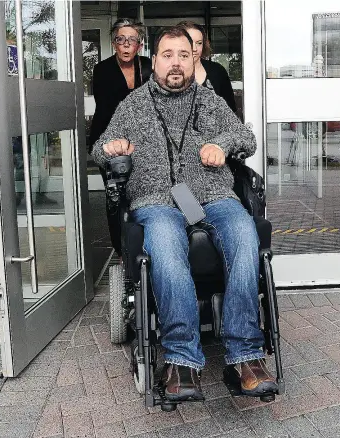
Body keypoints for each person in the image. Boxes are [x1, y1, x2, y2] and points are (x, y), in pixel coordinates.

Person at [92, 26, 278, 402]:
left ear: (194, 58)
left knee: (245, 235)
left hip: (211, 195)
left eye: (183, 54)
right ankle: (180, 359)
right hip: (156, 200)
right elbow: (98, 148)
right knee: (163, 244)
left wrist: (222, 145)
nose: (175, 62)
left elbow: (247, 138)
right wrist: (112, 147)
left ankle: (245, 356)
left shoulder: (210, 102)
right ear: (154, 60)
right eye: (167, 55)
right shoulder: (133, 106)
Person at [89, 18, 151, 254]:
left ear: (139, 44)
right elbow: (107, 109)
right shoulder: (102, 69)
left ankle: (145, 245)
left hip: (142, 142)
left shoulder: (148, 67)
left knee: (143, 192)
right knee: (116, 197)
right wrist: (119, 144)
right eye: (120, 40)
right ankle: (122, 250)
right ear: (114, 43)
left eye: (131, 40)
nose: (126, 45)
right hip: (110, 140)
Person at [178, 20, 237, 112]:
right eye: (189, 42)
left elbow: (231, 112)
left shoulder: (217, 72)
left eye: (199, 43)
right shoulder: (165, 72)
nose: (194, 49)